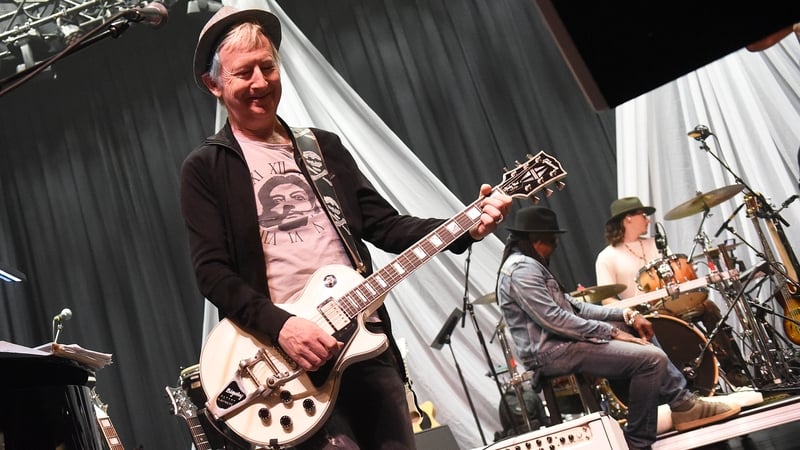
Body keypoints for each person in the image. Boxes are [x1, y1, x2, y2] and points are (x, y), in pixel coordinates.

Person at [180, 6, 511, 449]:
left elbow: (385, 225)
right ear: (214, 84)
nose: (260, 83)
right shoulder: (206, 167)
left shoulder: (322, 149)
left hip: (364, 341)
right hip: (286, 362)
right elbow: (213, 274)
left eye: (268, 67)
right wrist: (283, 327)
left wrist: (466, 224)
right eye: (243, 74)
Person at [497, 206, 740, 450]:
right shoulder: (522, 269)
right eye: (554, 241)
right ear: (540, 240)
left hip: (561, 344)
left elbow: (577, 309)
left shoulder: (528, 264)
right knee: (652, 359)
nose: (555, 247)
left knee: (635, 324)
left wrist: (627, 314)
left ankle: (683, 404)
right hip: (551, 352)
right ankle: (637, 440)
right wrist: (611, 332)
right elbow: (556, 320)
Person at [595, 197, 751, 387]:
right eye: (643, 215)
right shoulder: (607, 257)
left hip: (674, 303)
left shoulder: (657, 244)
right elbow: (606, 300)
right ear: (628, 218)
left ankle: (734, 370)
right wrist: (630, 312)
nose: (648, 219)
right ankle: (695, 382)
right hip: (645, 314)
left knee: (709, 308)